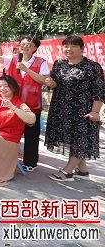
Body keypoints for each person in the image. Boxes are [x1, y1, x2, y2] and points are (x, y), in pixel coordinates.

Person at [0, 35, 49, 172]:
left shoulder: (41, 62)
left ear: (35, 48)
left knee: (31, 135)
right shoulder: (13, 59)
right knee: (10, 130)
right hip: (13, 103)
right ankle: (8, 156)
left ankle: (30, 162)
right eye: (22, 44)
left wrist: (26, 70)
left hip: (31, 104)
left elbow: (43, 80)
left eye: (28, 44)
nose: (25, 47)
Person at [43, 36, 104, 181]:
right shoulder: (59, 64)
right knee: (72, 140)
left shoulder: (92, 67)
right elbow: (55, 84)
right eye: (66, 46)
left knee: (80, 139)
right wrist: (50, 83)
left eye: (74, 46)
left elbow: (99, 91)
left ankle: (68, 172)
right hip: (61, 108)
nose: (69, 49)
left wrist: (95, 111)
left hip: (83, 110)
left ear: (82, 49)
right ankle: (82, 171)